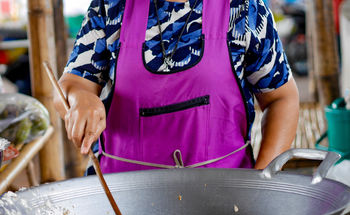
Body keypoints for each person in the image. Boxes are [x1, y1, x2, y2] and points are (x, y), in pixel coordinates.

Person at [55, 0, 299, 174]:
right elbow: (71, 84)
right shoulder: (110, 7)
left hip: (228, 205)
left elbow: (281, 98)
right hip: (120, 207)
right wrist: (79, 98)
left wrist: (261, 186)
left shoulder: (244, 9)